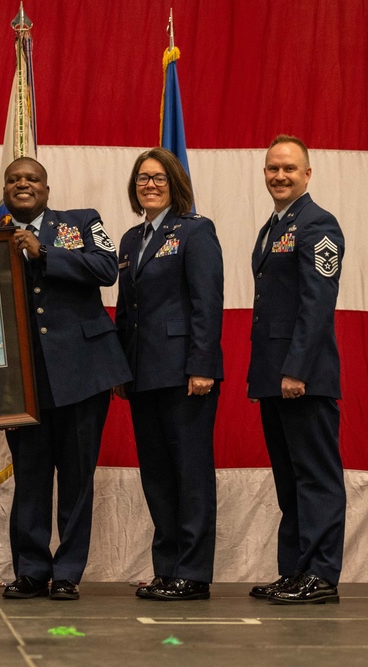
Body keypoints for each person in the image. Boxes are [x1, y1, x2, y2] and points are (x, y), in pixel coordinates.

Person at [0, 157, 132, 601]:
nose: (23, 184)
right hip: (26, 380)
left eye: (31, 179)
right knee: (31, 479)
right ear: (5, 190)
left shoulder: (82, 222)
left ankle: (68, 572)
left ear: (47, 189)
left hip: (84, 372)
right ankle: (32, 571)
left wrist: (45, 253)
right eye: (14, 179)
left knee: (77, 479)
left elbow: (107, 268)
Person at [114, 147, 224, 601]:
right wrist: (120, 367)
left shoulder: (195, 231)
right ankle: (167, 568)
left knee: (190, 474)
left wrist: (201, 365)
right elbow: (126, 311)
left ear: (175, 183)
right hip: (142, 374)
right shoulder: (129, 239)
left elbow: (206, 303)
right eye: (142, 178)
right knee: (157, 476)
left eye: (158, 177)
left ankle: (193, 573)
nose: (150, 185)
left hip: (184, 374)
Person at [247, 135, 346, 604]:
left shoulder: (318, 224)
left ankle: (321, 574)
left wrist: (296, 370)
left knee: (316, 478)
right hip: (275, 376)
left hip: (302, 378)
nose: (279, 176)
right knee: (289, 481)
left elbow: (317, 303)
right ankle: (295, 570)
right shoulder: (273, 227)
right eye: (272, 168)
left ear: (308, 174)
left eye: (289, 168)